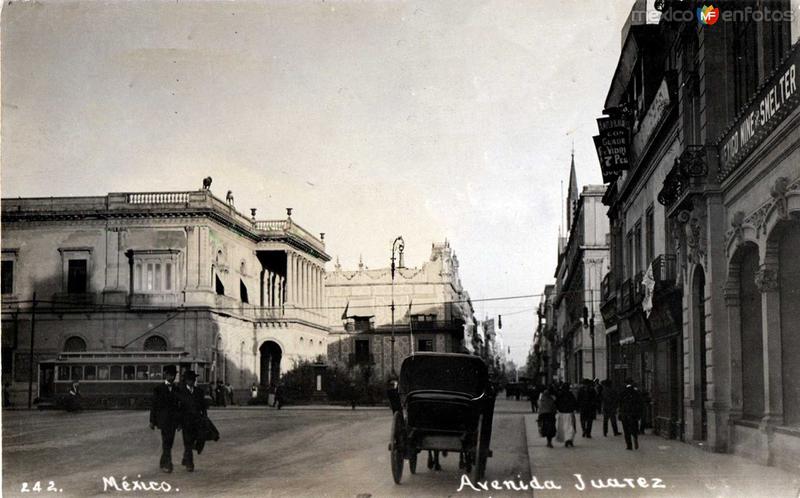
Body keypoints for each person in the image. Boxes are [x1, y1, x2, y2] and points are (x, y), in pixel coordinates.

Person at [149, 365, 181, 473]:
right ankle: (168, 464)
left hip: (174, 420)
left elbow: (179, 407)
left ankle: (163, 461)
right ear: (165, 375)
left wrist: (180, 422)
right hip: (163, 420)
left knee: (169, 442)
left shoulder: (177, 389)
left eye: (174, 375)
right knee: (166, 441)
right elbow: (154, 406)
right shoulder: (158, 389)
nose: (172, 377)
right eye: (170, 375)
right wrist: (152, 421)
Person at [177, 371, 207, 471]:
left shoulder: (199, 391)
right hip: (185, 421)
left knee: (198, 439)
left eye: (193, 379)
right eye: (190, 380)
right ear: (186, 381)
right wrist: (179, 423)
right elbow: (178, 408)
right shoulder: (181, 392)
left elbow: (203, 406)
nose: (192, 381)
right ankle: (190, 464)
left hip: (197, 420)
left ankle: (186, 456)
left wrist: (205, 417)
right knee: (187, 442)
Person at [618, 378, 644, 450]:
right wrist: (639, 413)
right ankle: (635, 437)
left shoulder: (622, 392)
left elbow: (619, 403)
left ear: (625, 383)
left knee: (626, 430)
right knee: (634, 427)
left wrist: (620, 412)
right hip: (633, 413)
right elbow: (640, 403)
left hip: (625, 413)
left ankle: (629, 445)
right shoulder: (636, 392)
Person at [555, 382, 577, 448]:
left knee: (563, 427)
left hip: (562, 413)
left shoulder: (560, 394)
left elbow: (556, 403)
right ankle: (569, 439)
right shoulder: (570, 394)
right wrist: (574, 408)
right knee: (570, 426)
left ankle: (566, 439)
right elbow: (574, 402)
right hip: (569, 412)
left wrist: (558, 409)